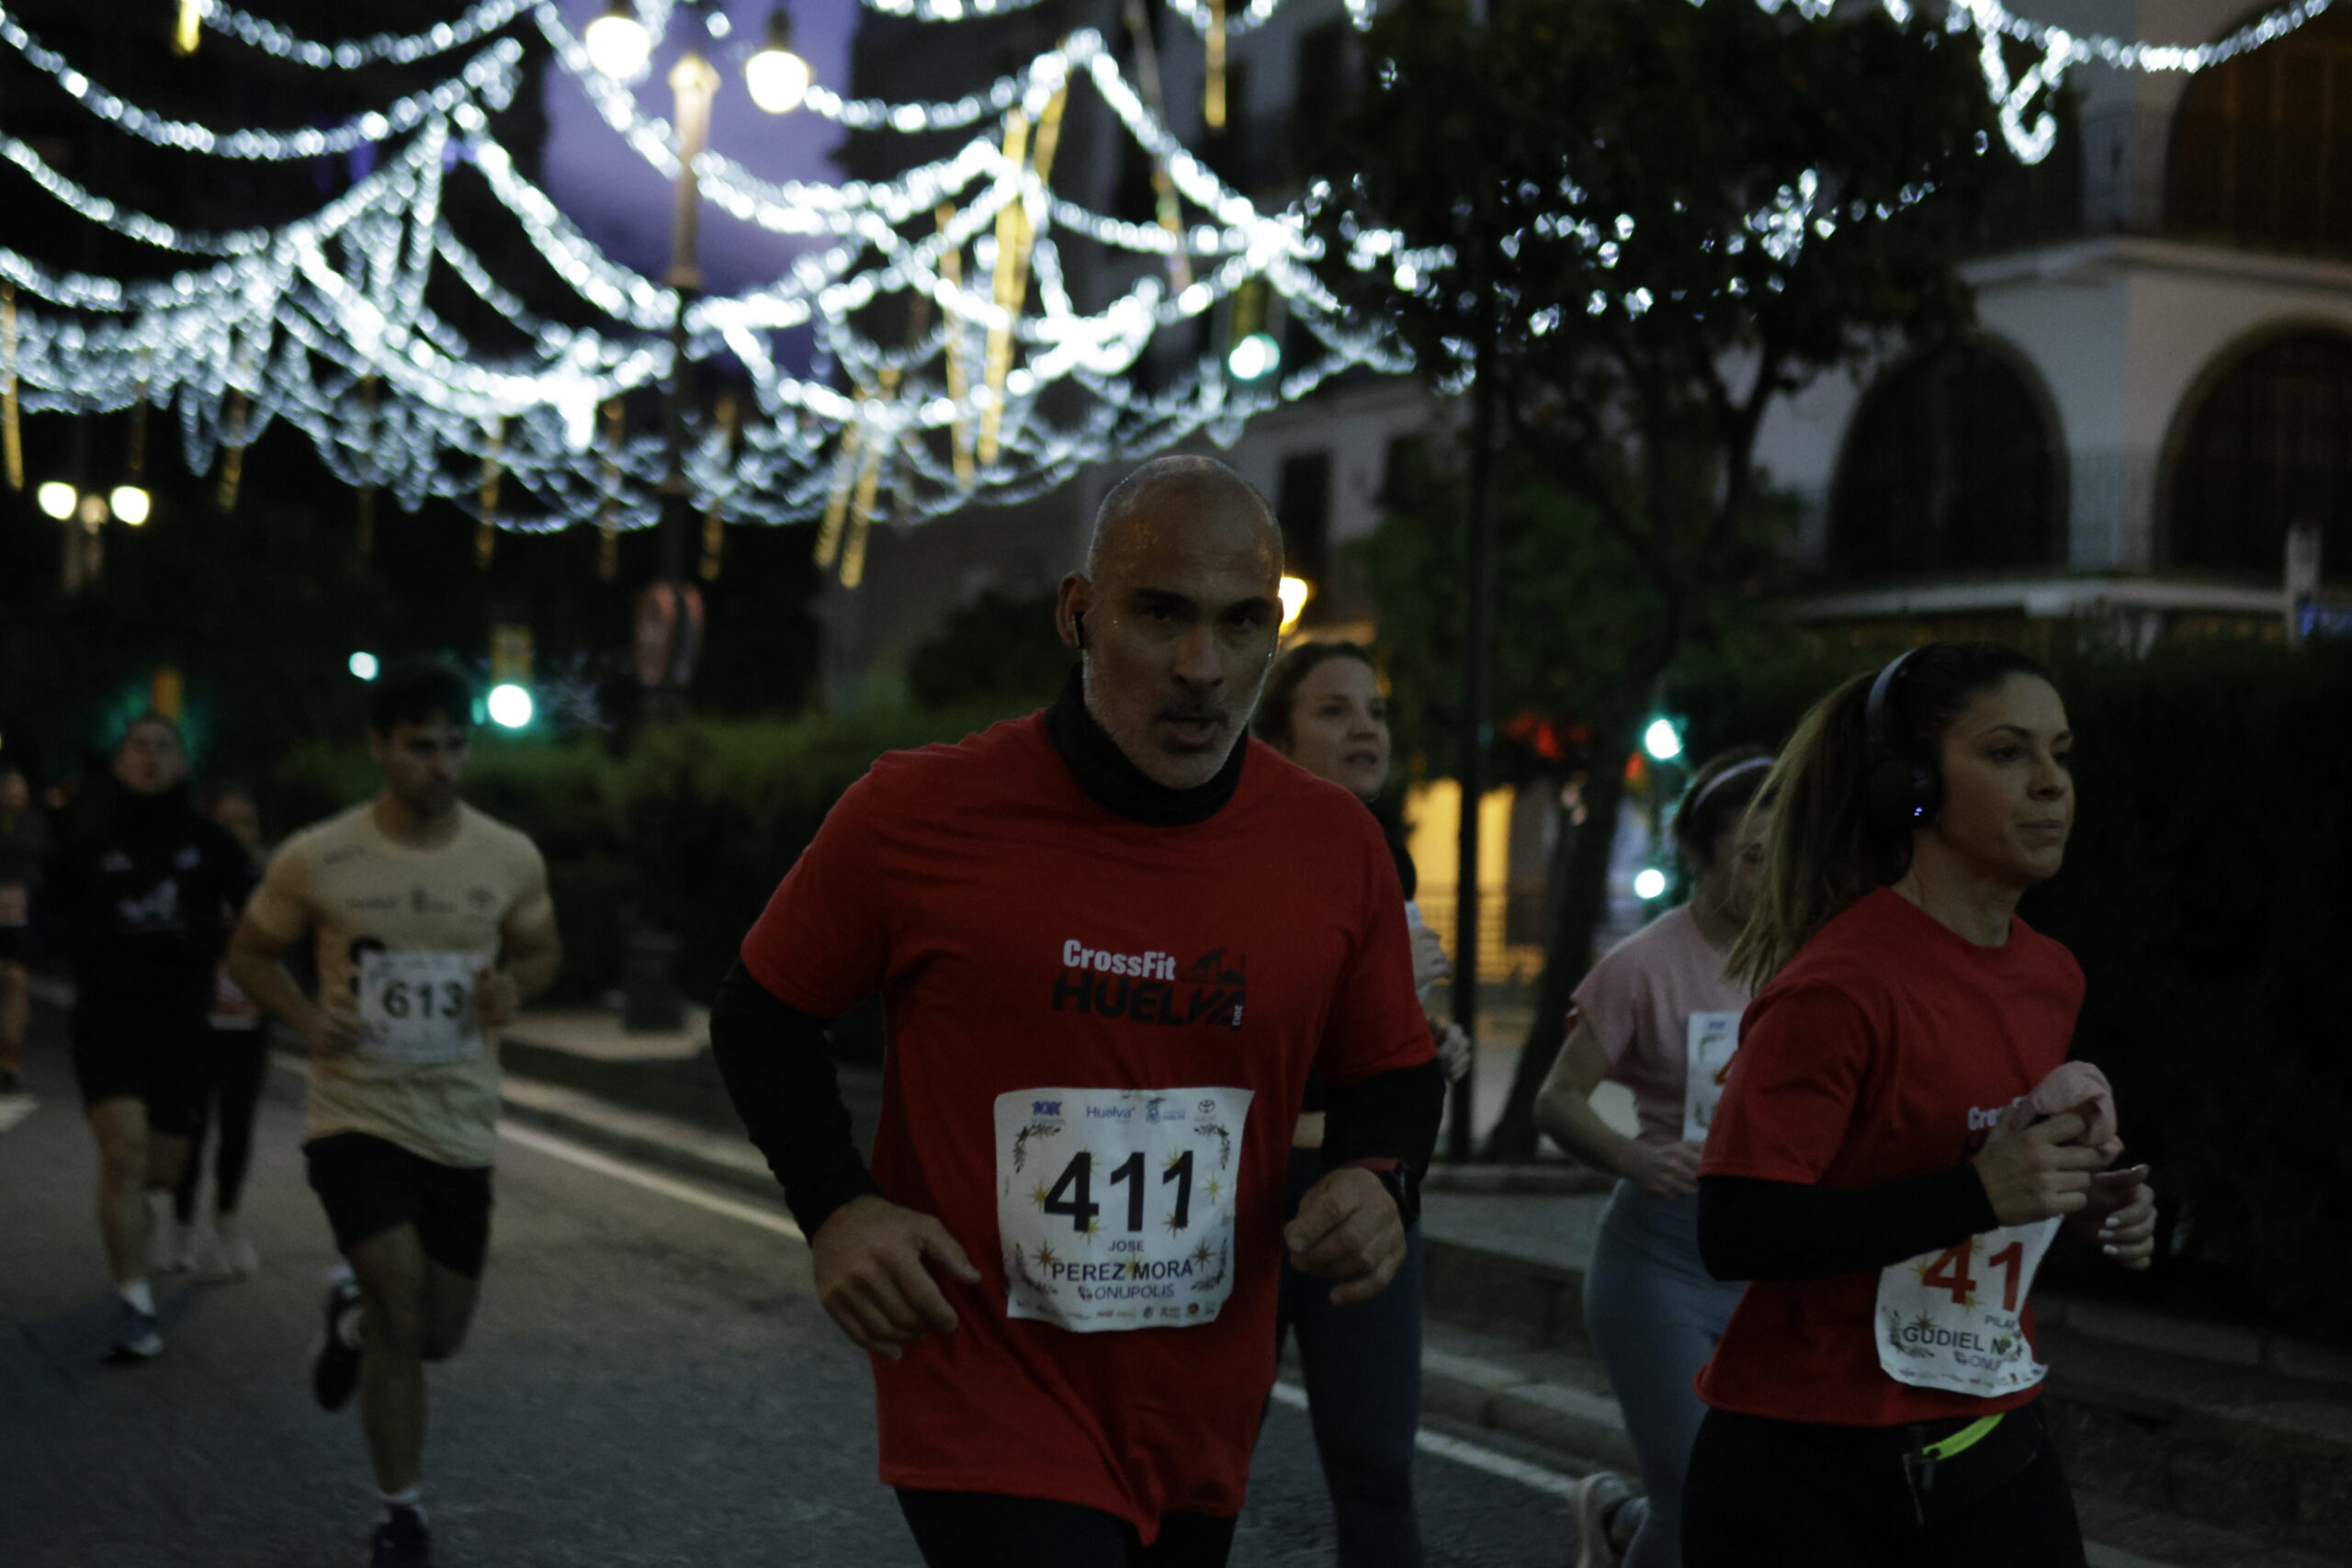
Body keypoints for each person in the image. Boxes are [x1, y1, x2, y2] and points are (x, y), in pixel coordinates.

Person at [710, 456, 1445, 1568]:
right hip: (982, 1383)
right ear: (1078, 613)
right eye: (1161, 614)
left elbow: (1392, 1066)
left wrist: (1378, 1178)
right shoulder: (916, 812)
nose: (1202, 668)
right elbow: (760, 1014)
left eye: (1241, 623)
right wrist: (837, 1207)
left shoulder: (1334, 846)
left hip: (1198, 1401)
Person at [1679, 642, 2156, 1567]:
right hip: (1807, 1469)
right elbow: (1736, 1229)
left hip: (1990, 1436)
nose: (2052, 783)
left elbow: (1962, 1176)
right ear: (1912, 786)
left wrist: (2073, 1200)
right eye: (2008, 752)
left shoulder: (2050, 975)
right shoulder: (1841, 985)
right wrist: (1978, 1193)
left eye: (2061, 754)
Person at [227, 661, 560, 1568]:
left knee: (437, 1334)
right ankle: (400, 1514)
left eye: (455, 745)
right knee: (400, 1300)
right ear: (379, 746)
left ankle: (351, 1324)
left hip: (460, 1117)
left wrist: (512, 987)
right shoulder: (318, 855)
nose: (440, 764)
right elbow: (250, 953)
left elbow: (540, 950)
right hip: (356, 1113)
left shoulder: (508, 854)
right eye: (419, 746)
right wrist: (307, 1020)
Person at [1250, 639, 1473, 1568]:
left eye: (1374, 711)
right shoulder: (1235, 846)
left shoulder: (1386, 855)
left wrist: (1427, 1040)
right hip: (1244, 1190)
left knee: (1378, 1463)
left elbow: (1377, 1042)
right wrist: (1367, 981)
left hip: (1362, 1186)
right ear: (1275, 739)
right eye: (1333, 710)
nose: (1365, 729)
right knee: (1195, 1467)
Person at [1532, 747, 1772, 1568]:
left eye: (1786, 856)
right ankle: (1639, 1523)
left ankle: (1616, 1523)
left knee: (1763, 1500)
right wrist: (1635, 1157)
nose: (1772, 878)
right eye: (1752, 857)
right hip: (1661, 1265)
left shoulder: (1812, 957)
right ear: (1699, 854)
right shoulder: (1644, 966)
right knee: (1698, 1496)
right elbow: (1556, 1099)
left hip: (1773, 1267)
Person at [42, 715, 255, 1361]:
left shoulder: (209, 843)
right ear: (120, 763)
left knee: (163, 1170)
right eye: (138, 746)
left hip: (182, 1026)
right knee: (123, 1153)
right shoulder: (88, 839)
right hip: (107, 1021)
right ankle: (134, 1302)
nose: (150, 757)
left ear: (182, 764)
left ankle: (141, 1220)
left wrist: (219, 940)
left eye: (164, 747)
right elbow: (48, 912)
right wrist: (82, 937)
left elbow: (260, 910)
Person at [163, 787, 271, 1276]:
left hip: (248, 1023)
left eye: (245, 822)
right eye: (226, 822)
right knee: (191, 1127)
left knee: (238, 1125)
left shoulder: (270, 885)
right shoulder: (191, 878)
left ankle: (227, 1219)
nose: (235, 832)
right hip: (195, 1023)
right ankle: (181, 1224)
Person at [0, 762, 46, 1093]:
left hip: (20, 916)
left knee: (15, 978)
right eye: (9, 786)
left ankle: (9, 1058)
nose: (16, 792)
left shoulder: (35, 825)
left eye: (20, 786)